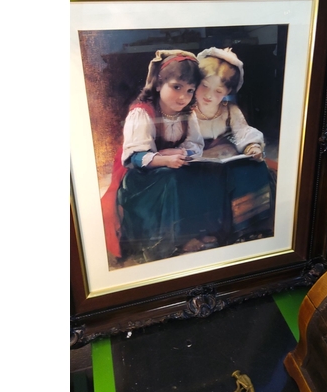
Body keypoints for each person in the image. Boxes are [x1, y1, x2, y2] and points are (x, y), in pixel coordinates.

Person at [100, 49, 221, 264]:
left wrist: (182, 153)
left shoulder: (187, 114)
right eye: (177, 87)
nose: (183, 96)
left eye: (190, 90)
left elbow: (195, 145)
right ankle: (173, 240)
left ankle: (197, 229)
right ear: (158, 85)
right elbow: (135, 158)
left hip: (171, 166)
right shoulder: (142, 112)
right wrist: (162, 159)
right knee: (170, 177)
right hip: (139, 178)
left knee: (201, 173)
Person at [193, 47, 275, 243]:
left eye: (219, 90)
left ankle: (246, 228)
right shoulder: (187, 111)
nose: (209, 95)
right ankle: (207, 232)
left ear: (228, 92)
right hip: (198, 162)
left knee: (254, 169)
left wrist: (251, 147)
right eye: (204, 85)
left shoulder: (229, 110)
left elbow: (243, 132)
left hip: (227, 159)